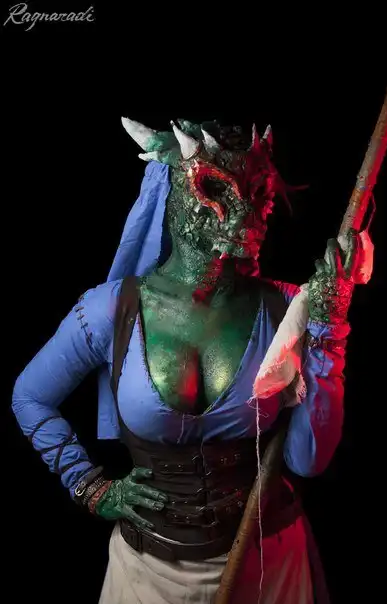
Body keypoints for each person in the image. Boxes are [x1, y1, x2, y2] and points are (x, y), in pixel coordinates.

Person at [12, 117, 363, 604]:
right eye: (218, 189)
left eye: (258, 195)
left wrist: (328, 328)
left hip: (270, 566)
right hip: (147, 574)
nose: (247, 214)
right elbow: (29, 397)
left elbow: (308, 459)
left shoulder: (289, 310)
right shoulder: (112, 311)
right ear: (177, 192)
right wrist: (90, 486)